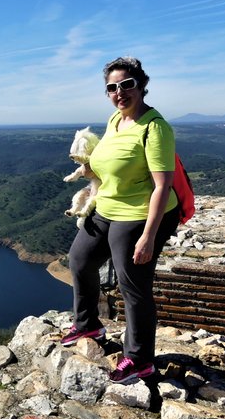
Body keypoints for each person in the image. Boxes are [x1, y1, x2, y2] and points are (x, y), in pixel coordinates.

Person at [61, 56, 180, 384]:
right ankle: (89, 326)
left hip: (139, 215)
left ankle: (140, 360)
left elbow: (162, 185)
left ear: (142, 86)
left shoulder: (155, 128)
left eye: (126, 84)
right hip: (106, 207)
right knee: (80, 260)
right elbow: (111, 161)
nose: (119, 92)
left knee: (133, 286)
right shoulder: (116, 120)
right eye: (111, 87)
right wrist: (90, 169)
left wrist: (148, 236)